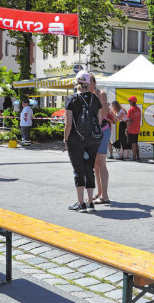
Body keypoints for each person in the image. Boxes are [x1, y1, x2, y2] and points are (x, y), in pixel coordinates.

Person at [65, 71, 104, 213]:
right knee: (90, 169)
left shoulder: (72, 99)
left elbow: (68, 123)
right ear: (88, 84)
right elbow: (99, 120)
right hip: (93, 139)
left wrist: (66, 139)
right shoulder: (95, 99)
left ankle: (80, 203)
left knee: (78, 170)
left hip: (76, 139)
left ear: (76, 83)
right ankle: (90, 202)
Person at [90, 74, 111, 205]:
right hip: (94, 131)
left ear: (94, 82)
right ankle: (99, 192)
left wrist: (97, 96)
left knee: (101, 163)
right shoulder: (88, 95)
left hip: (102, 130)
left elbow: (103, 115)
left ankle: (105, 195)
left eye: (89, 81)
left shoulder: (100, 94)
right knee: (95, 164)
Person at [126, 96, 142, 161]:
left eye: (129, 101)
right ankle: (137, 156)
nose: (129, 102)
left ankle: (134, 157)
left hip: (132, 128)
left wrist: (126, 129)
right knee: (135, 142)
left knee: (133, 143)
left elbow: (129, 121)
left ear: (132, 102)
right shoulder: (138, 109)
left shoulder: (131, 110)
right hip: (137, 128)